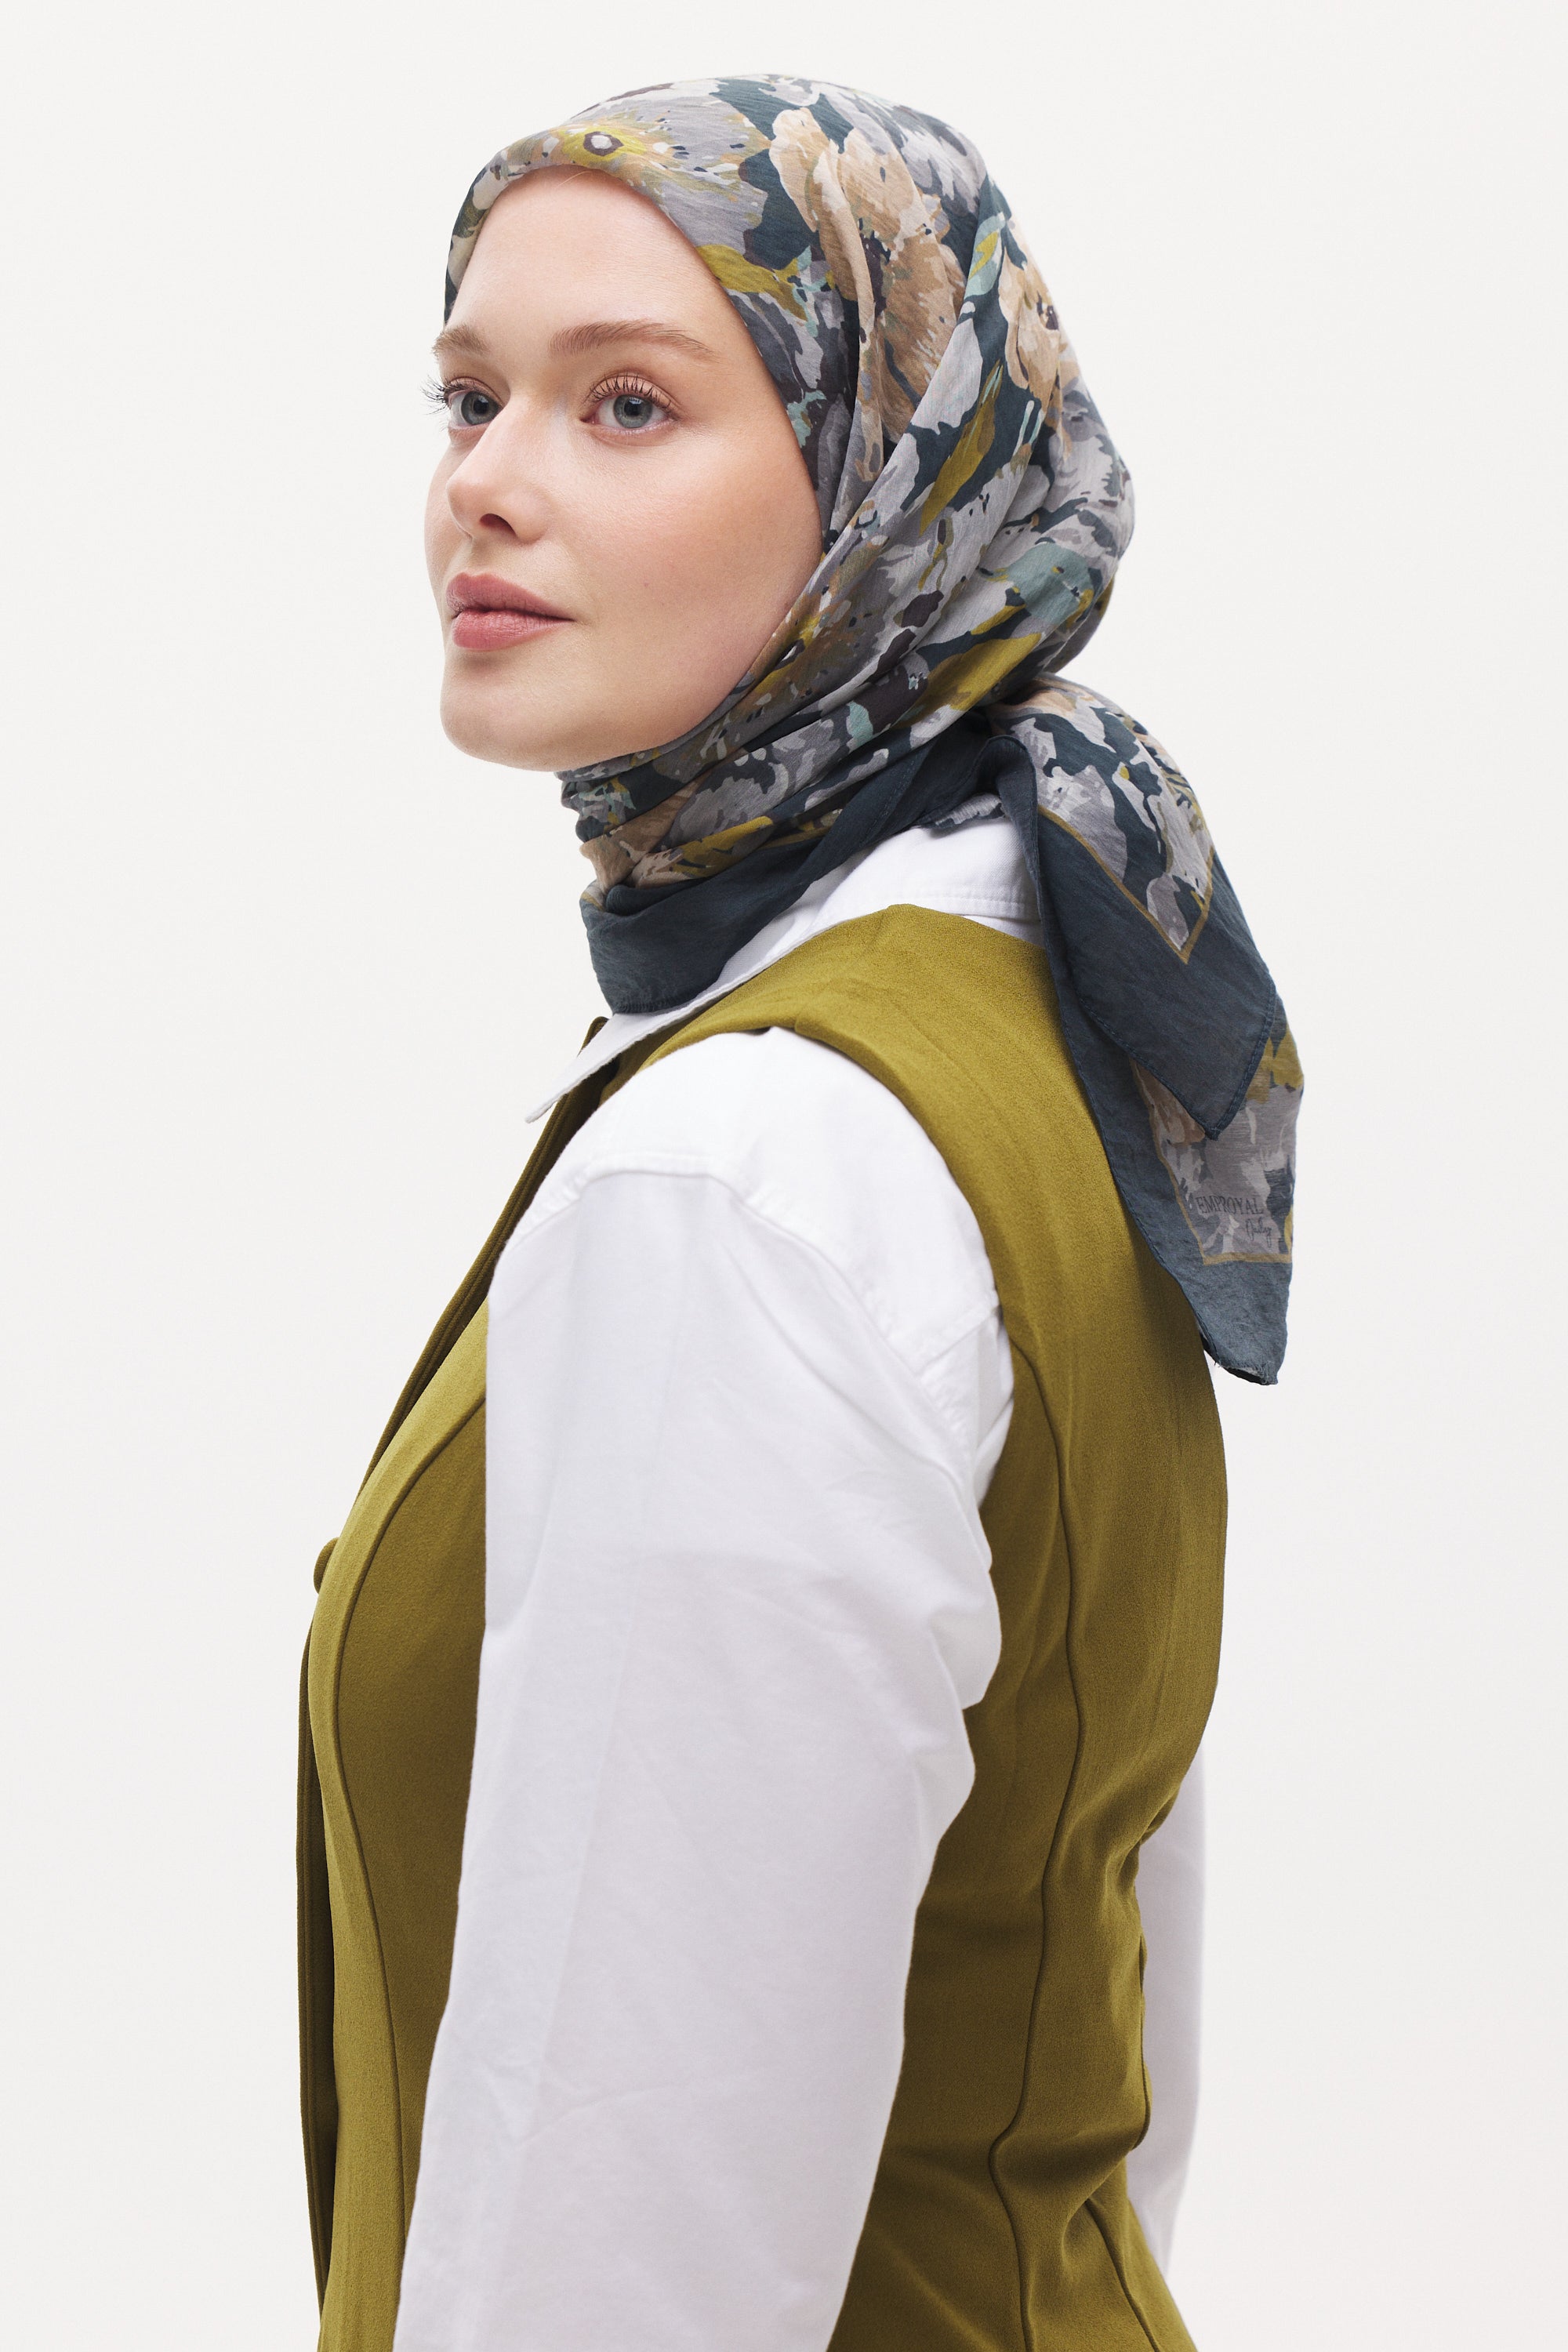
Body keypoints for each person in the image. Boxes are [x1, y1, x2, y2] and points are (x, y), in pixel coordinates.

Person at [297, 74, 1301, 2352]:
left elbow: (620, 2249)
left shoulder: (749, 1172)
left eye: (626, 404)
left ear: (880, 488)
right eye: (468, 394)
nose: (488, 480)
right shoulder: (1046, 1024)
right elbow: (1095, 2024)